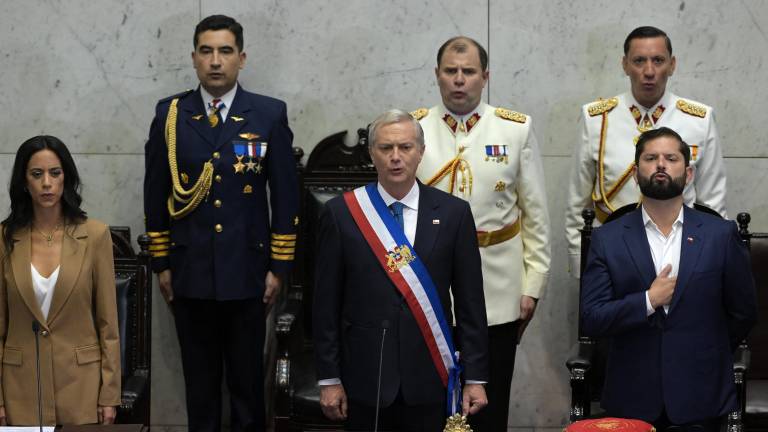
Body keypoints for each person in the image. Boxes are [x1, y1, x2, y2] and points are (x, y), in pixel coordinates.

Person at [143, 15, 299, 432]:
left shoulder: (267, 114)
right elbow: (155, 194)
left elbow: (285, 197)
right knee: (201, 389)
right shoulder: (171, 116)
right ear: (194, 58)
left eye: (225, 51)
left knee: (248, 388)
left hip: (248, 275)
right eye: (207, 51)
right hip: (189, 274)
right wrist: (162, 265)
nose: (216, 61)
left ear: (241, 58)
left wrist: (278, 268)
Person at [313, 109, 489, 431]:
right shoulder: (341, 214)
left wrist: (475, 377)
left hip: (430, 374)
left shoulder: (454, 214)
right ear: (372, 154)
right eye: (386, 148)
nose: (396, 157)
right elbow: (325, 304)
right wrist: (328, 377)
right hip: (365, 377)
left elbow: (470, 304)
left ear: (420, 152)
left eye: (405, 147)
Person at [412, 36, 551, 431]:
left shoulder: (515, 129)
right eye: (451, 71)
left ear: (485, 77)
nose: (459, 80)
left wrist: (533, 284)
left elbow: (534, 213)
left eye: (468, 72)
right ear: (437, 75)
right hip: (428, 286)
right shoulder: (414, 128)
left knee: (489, 401)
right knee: (428, 400)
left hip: (498, 288)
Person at [580, 127, 756, 431]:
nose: (660, 164)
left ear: (688, 174)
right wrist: (648, 301)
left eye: (671, 158)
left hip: (701, 394)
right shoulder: (607, 239)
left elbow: (743, 312)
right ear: (636, 173)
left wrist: (701, 344)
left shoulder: (720, 235)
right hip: (632, 396)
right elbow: (592, 318)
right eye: (651, 158)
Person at [566, 26, 727, 277]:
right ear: (625, 65)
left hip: (681, 254)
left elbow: (712, 203)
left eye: (658, 60)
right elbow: (577, 202)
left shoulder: (699, 119)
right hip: (613, 255)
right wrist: (582, 263)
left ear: (672, 65)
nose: (649, 71)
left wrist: (712, 266)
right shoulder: (596, 118)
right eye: (639, 61)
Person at [0, 135, 121, 425]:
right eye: (36, 174)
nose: (46, 183)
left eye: (55, 173)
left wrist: (109, 394)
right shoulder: (4, 239)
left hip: (81, 387)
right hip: (19, 389)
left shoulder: (94, 235)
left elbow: (109, 326)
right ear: (23, 181)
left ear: (67, 177)